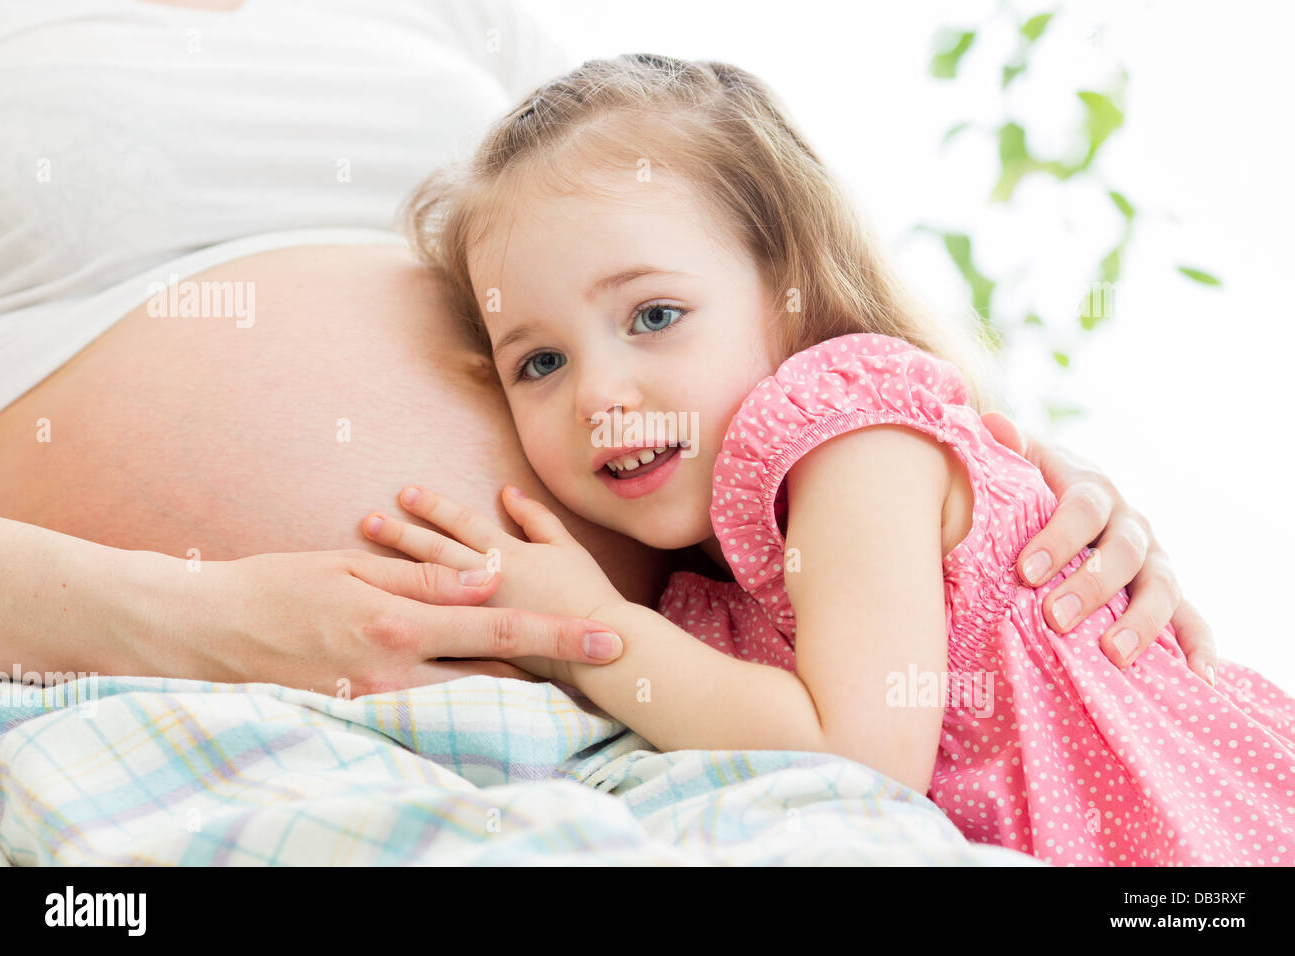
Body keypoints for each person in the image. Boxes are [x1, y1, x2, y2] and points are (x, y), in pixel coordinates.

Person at [0, 1, 1213, 697]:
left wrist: (987, 472)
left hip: (672, 705)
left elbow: (692, 238)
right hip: (159, 688)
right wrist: (187, 613)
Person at [359, 53, 1294, 865]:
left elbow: (858, 754)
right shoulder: (717, 593)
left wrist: (588, 629)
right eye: (540, 362)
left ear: (792, 291)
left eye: (654, 316)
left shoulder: (856, 442)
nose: (596, 395)